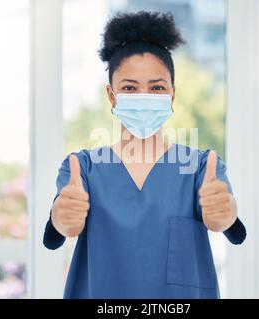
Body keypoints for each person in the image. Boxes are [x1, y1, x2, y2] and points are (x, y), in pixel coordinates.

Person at [43, 10, 246, 299]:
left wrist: (226, 213)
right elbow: (62, 225)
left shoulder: (200, 168)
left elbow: (224, 218)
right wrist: (61, 216)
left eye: (157, 88)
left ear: (172, 95)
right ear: (112, 96)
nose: (144, 97)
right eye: (129, 88)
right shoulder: (83, 168)